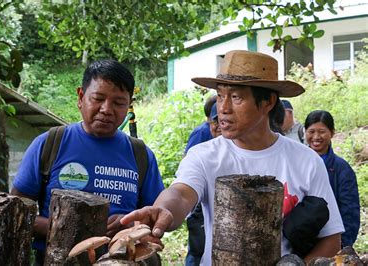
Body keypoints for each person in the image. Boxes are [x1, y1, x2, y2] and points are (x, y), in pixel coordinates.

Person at [121, 50, 344, 265]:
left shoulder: (306, 161)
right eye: (220, 96)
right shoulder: (204, 156)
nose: (223, 108)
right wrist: (164, 210)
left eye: (236, 97)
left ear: (268, 102)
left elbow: (331, 239)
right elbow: (181, 193)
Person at [11, 59, 165, 264]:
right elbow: (17, 213)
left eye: (118, 103)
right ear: (81, 97)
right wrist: (71, 231)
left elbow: (155, 219)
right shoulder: (50, 144)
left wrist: (130, 225)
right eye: (98, 98)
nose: (106, 109)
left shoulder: (141, 155)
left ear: (129, 105)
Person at [304, 110, 360, 248]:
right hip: (300, 241)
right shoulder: (296, 162)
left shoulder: (342, 168)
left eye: (322, 131)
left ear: (332, 133)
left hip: (330, 242)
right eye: (311, 131)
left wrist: (342, 245)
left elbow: (350, 211)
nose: (316, 137)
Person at [184, 97, 218, 266]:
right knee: (197, 249)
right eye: (216, 121)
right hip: (199, 203)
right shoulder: (201, 133)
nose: (220, 125)